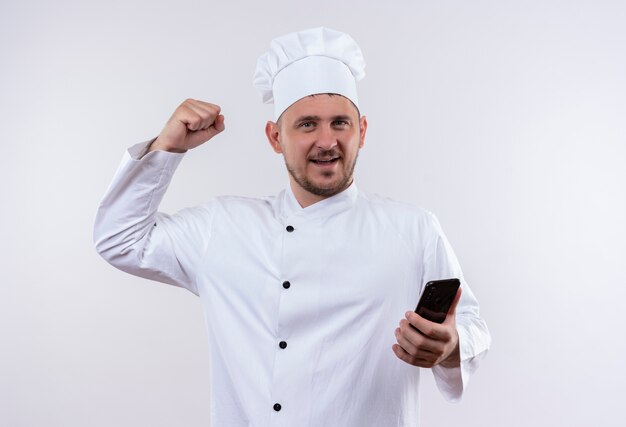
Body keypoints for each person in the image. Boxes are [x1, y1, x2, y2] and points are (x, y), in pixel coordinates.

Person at [94, 27, 490, 426]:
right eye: (306, 125)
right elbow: (120, 239)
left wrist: (451, 346)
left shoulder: (413, 229)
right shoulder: (224, 227)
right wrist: (168, 147)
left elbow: (472, 325)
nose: (326, 140)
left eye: (340, 123)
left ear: (362, 132)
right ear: (275, 137)